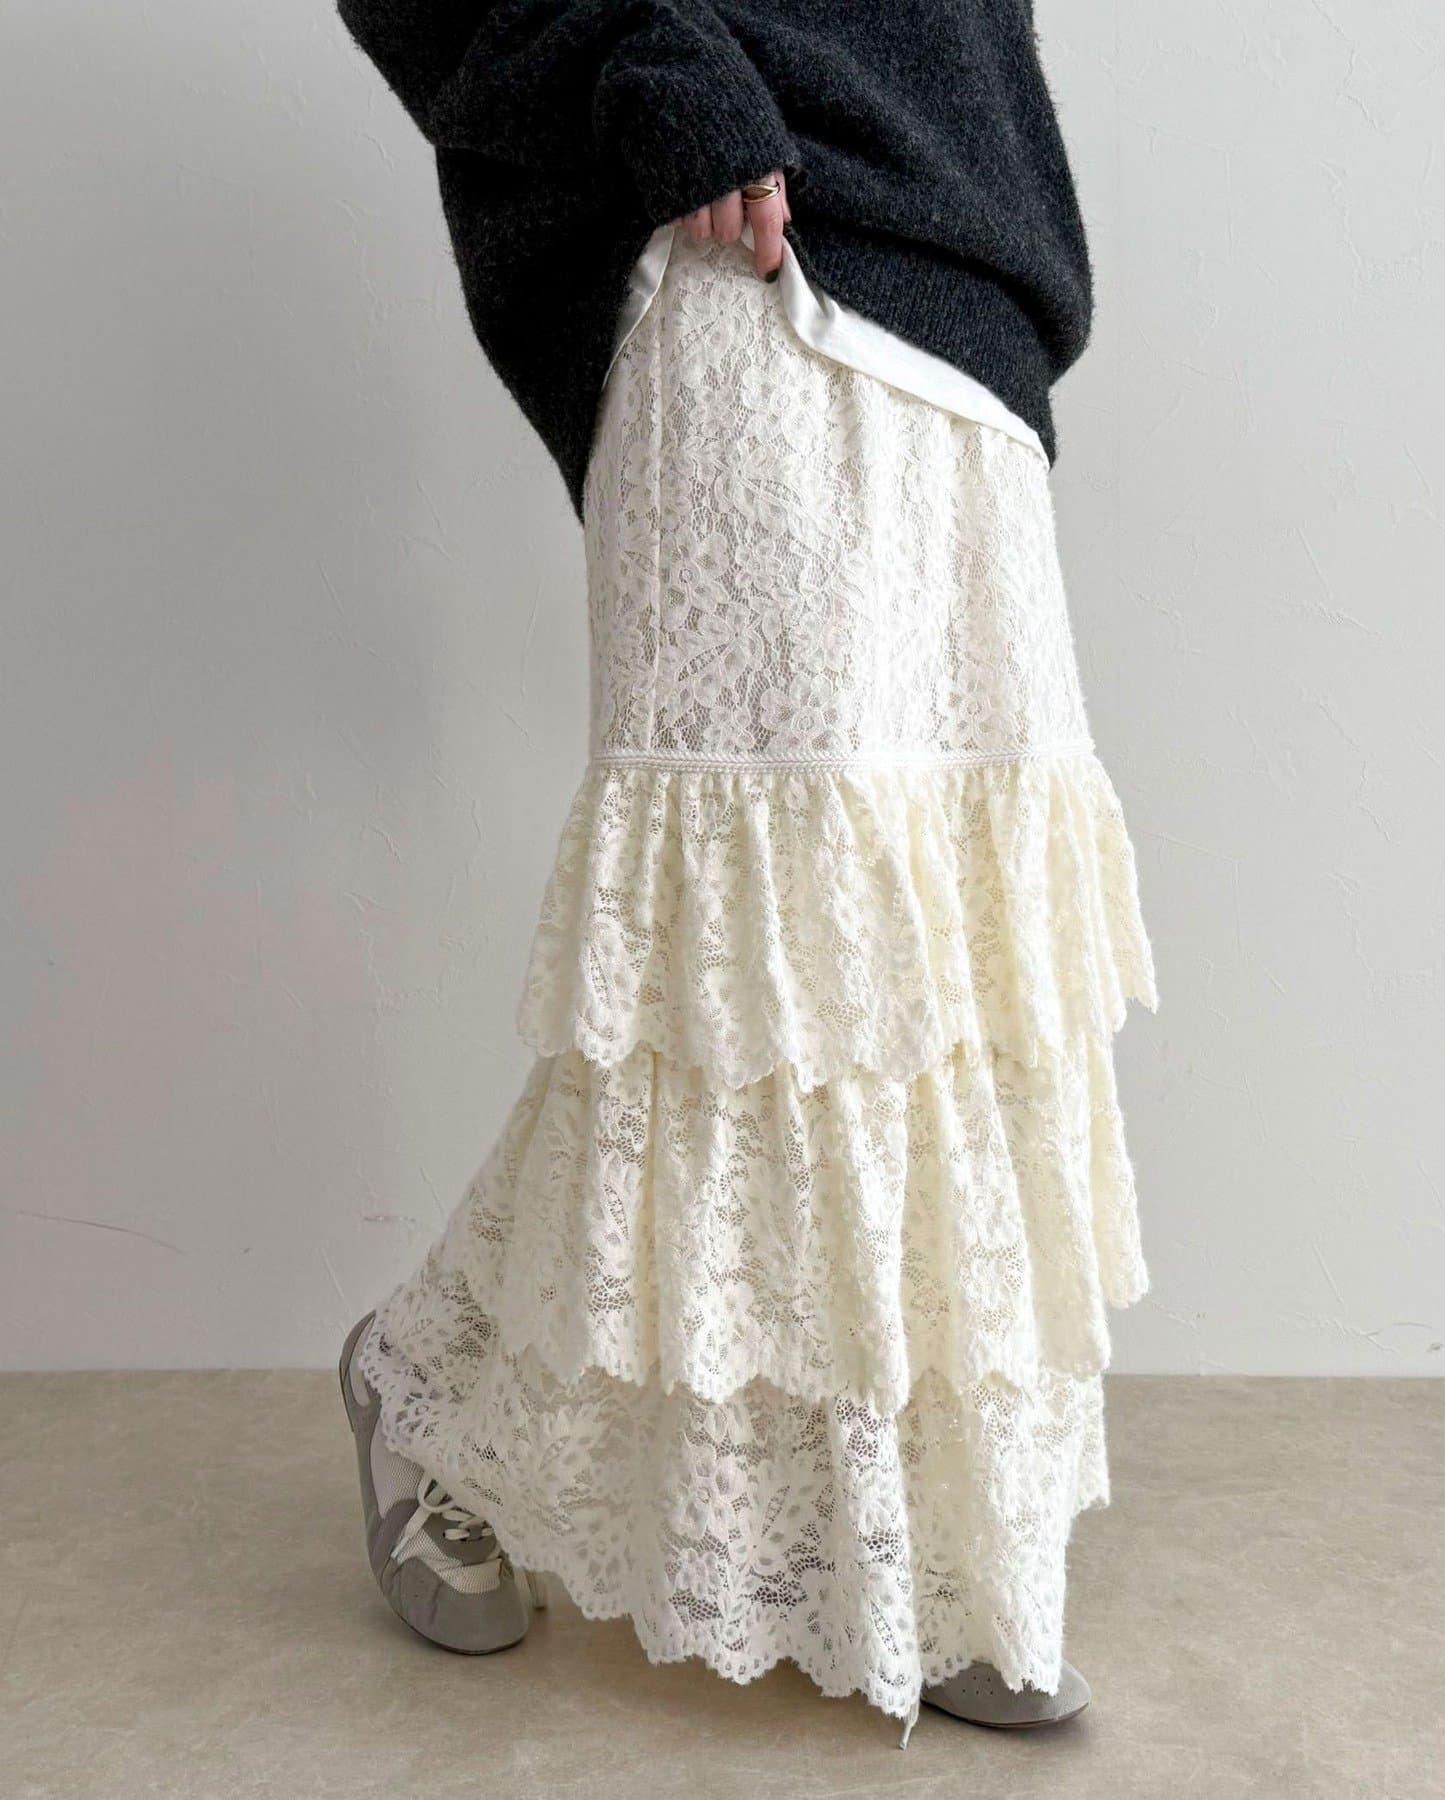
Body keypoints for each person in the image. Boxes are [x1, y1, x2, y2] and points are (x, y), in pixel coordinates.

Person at [333, 0, 1156, 1745]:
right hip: (738, 248)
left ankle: (942, 1551)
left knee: (954, 955)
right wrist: (648, 60)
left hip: (972, 298)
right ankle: (442, 1393)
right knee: (764, 956)